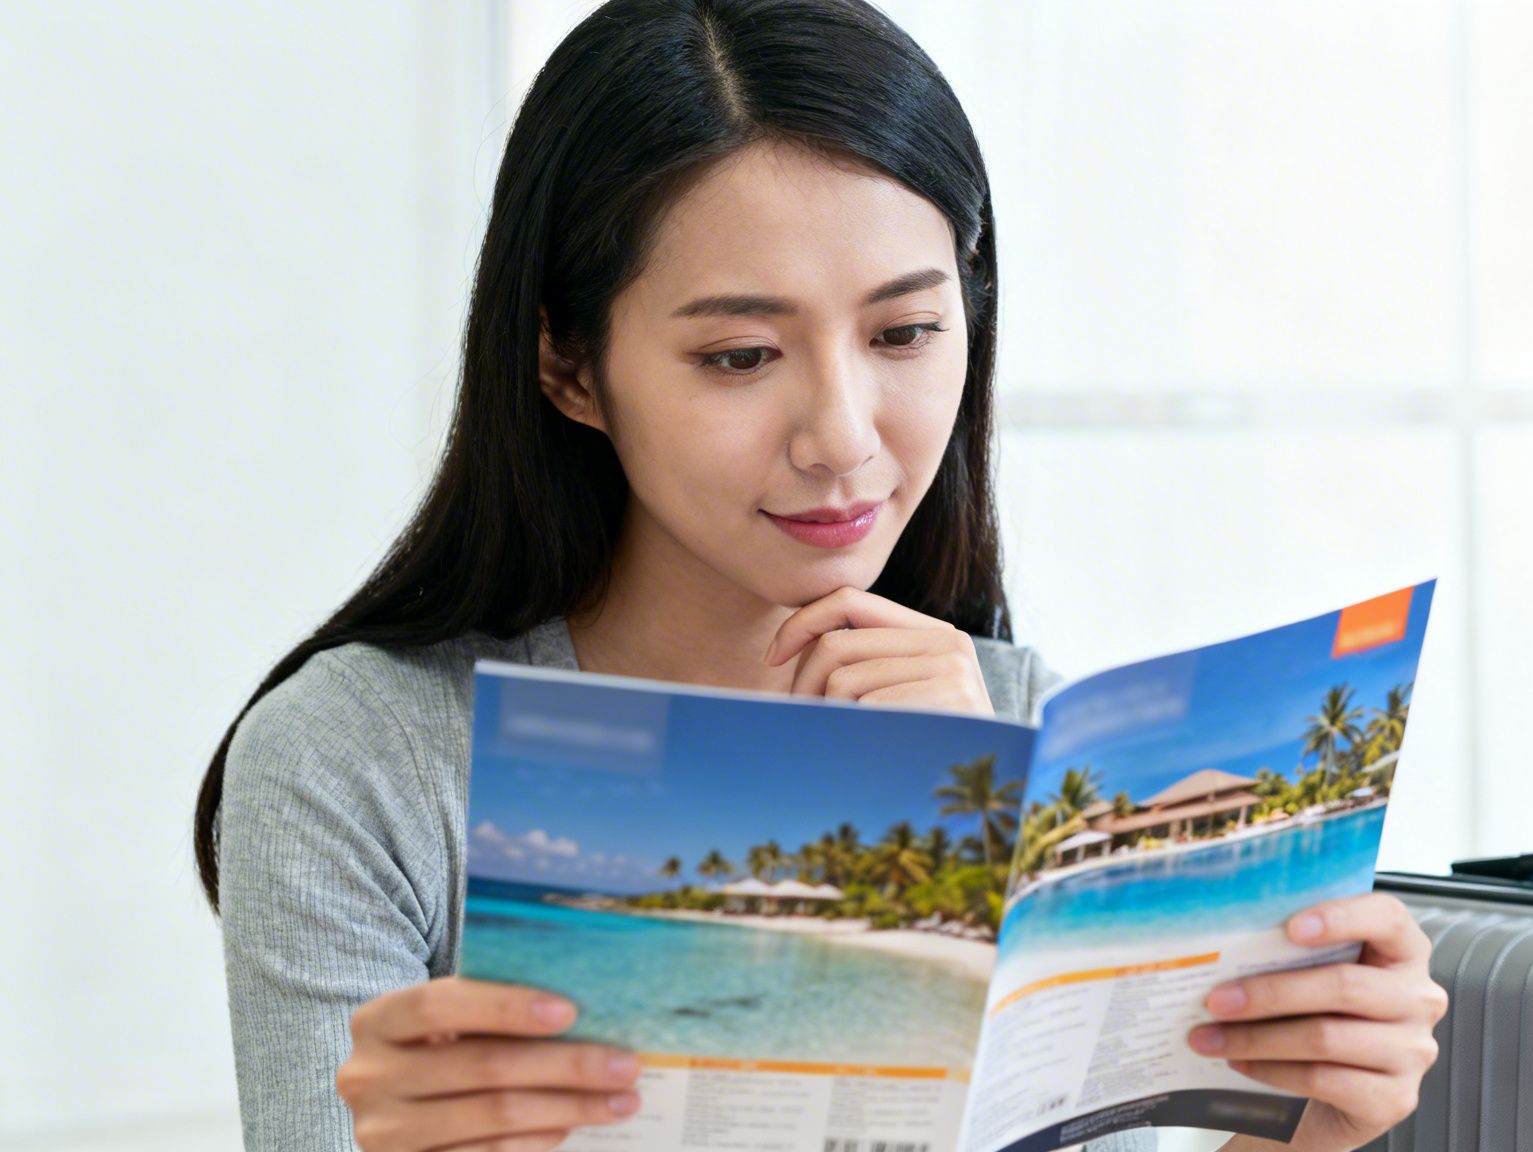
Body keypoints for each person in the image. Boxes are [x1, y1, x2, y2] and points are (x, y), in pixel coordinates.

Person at [189, 2, 1448, 1150]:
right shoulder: (362, 759)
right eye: (739, 356)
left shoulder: (1021, 728)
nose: (841, 435)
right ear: (570, 368)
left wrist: (1304, 1131)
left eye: (903, 332)